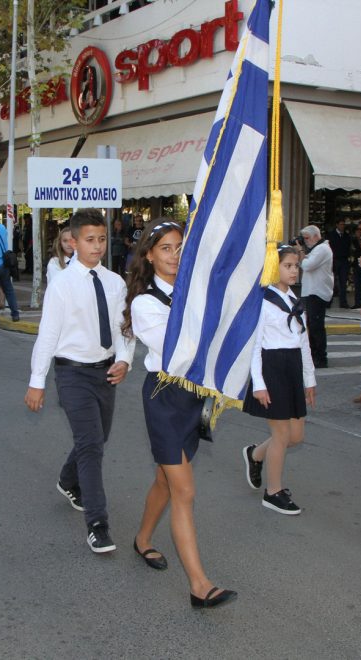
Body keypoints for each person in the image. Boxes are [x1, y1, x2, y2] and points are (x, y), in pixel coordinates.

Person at [122, 220, 237, 608]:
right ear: (150, 254)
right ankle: (199, 585)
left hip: (193, 399)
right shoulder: (144, 302)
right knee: (184, 490)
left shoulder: (195, 293)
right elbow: (175, 350)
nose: (174, 255)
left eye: (179, 247)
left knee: (166, 483)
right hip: (165, 398)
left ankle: (141, 539)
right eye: (166, 248)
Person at [25, 209, 135, 554]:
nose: (98, 246)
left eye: (102, 239)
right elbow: (47, 335)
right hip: (71, 373)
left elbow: (124, 328)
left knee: (98, 438)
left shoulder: (115, 282)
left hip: (105, 372)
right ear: (73, 242)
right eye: (90, 240)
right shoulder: (62, 285)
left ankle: (67, 480)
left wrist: (124, 359)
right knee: (90, 445)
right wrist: (36, 380)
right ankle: (97, 523)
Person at [241, 244, 317, 516]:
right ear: (274, 268)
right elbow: (255, 346)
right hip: (272, 368)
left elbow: (304, 341)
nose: (294, 270)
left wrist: (309, 378)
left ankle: (255, 454)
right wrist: (259, 383)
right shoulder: (262, 301)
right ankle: (273, 492)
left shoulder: (295, 300)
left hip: (293, 367)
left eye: (296, 265)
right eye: (288, 265)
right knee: (282, 435)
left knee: (296, 436)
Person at [298, 225, 332, 368]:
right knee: (312, 325)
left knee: (316, 326)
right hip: (312, 291)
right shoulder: (317, 249)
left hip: (317, 292)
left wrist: (300, 251)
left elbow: (307, 265)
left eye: (306, 238)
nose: (305, 241)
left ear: (316, 236)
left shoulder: (322, 249)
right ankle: (314, 355)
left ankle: (320, 357)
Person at [327, 220, 352, 308]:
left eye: (343, 224)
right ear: (337, 225)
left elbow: (348, 246)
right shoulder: (331, 235)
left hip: (344, 260)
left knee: (343, 282)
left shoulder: (346, 235)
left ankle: (343, 302)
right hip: (334, 260)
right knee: (331, 282)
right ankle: (328, 301)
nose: (342, 226)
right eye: (341, 224)